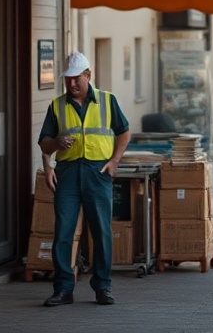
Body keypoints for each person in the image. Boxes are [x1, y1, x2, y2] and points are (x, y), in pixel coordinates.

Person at [38, 52, 131, 307]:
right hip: (67, 174)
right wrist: (55, 146)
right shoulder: (56, 106)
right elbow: (44, 143)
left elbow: (124, 133)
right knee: (63, 233)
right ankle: (63, 289)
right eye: (67, 79)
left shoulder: (107, 101)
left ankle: (103, 286)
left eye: (76, 78)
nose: (71, 84)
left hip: (97, 173)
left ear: (88, 75)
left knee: (101, 232)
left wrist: (114, 161)